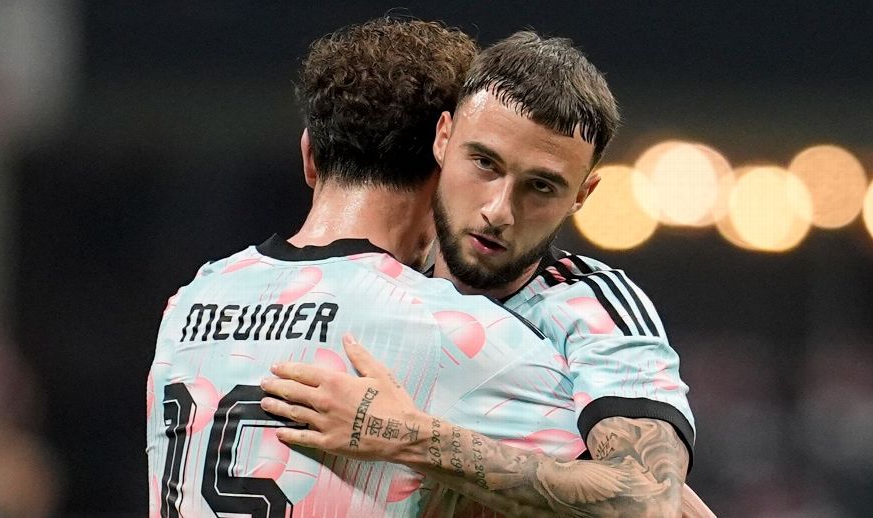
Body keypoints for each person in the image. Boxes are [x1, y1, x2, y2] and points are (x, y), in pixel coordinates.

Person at [146, 19, 590, 517]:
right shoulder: (455, 333)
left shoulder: (187, 305)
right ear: (445, 158)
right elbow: (640, 499)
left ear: (309, 155)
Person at [262, 31, 711, 517]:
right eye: (484, 163)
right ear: (443, 138)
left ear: (582, 195)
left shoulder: (593, 310)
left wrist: (408, 436)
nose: (499, 211)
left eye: (541, 186)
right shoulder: (377, 279)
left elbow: (651, 502)